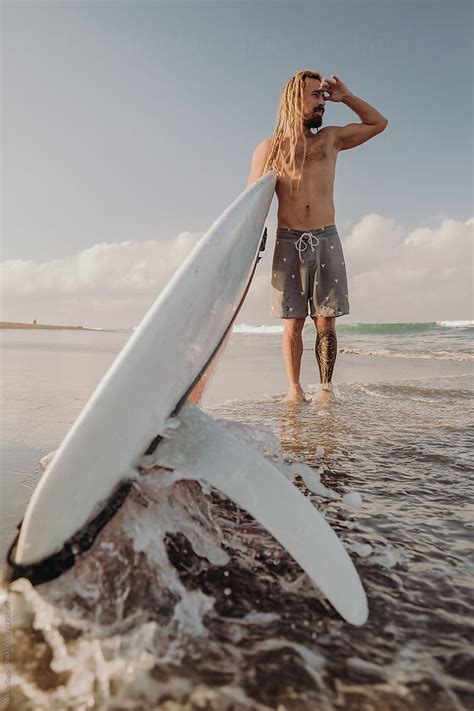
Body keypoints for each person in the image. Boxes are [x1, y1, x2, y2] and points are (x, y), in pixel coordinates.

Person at [247, 70, 388, 402]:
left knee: (326, 321)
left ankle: (325, 388)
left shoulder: (331, 139)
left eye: (323, 97)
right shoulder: (270, 148)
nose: (322, 103)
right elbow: (251, 200)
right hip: (287, 241)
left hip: (326, 238)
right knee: (293, 323)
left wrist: (347, 96)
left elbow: (378, 123)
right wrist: (248, 247)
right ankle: (294, 390)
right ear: (295, 99)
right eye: (315, 96)